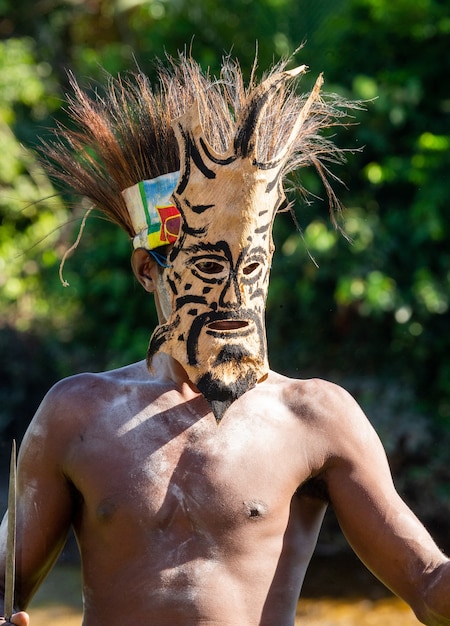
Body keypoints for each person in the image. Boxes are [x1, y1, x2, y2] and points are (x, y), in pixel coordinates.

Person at [1, 53, 450, 626]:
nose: (234, 295)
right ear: (148, 270)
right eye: (210, 270)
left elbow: (429, 585)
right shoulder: (76, 414)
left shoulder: (315, 418)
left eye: (253, 267)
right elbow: (4, 584)